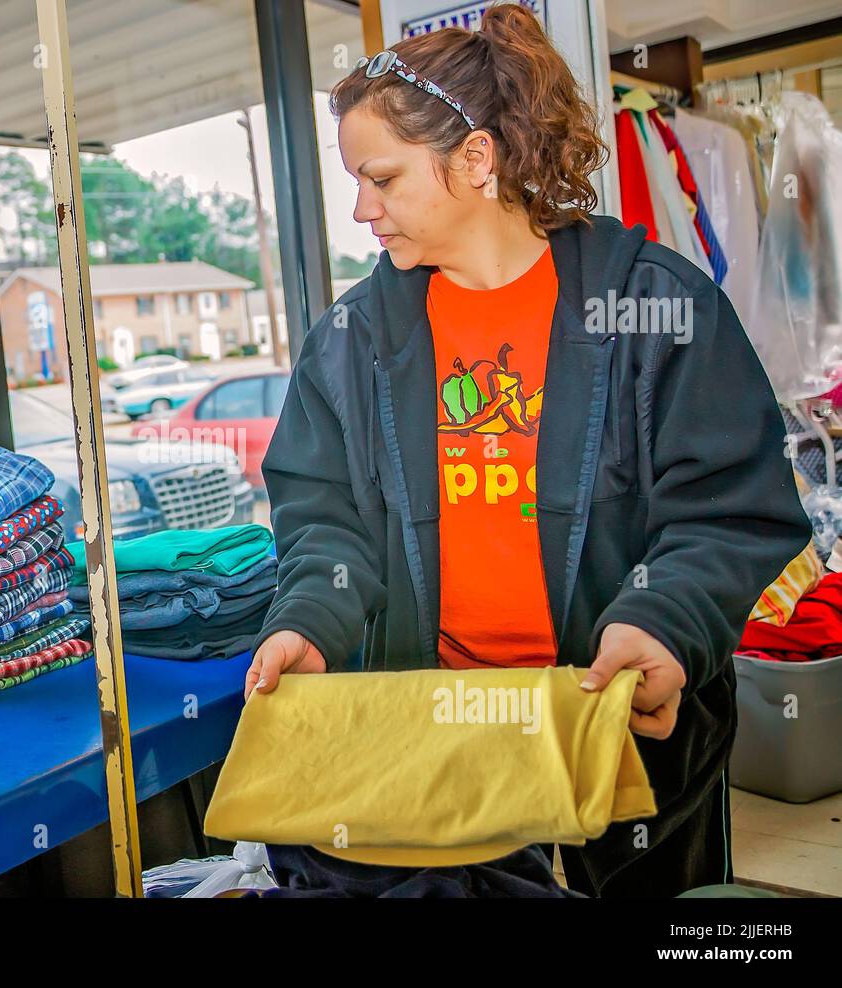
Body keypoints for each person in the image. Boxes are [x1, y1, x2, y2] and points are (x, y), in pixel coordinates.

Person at [244, 5, 811, 898]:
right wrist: (313, 616)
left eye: (381, 178)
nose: (362, 209)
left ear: (475, 158)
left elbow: (730, 512)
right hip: (433, 742)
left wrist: (662, 618)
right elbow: (323, 517)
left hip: (616, 736)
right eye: (357, 182)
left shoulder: (656, 308)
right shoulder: (351, 337)